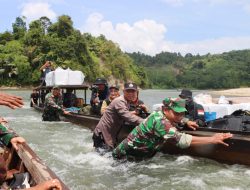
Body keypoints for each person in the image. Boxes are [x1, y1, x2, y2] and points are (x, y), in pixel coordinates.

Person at [112, 97, 233, 160]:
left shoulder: (161, 113)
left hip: (139, 155)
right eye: (177, 113)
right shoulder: (160, 122)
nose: (180, 116)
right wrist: (212, 139)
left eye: (182, 114)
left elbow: (176, 117)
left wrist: (186, 121)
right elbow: (181, 141)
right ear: (166, 110)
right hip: (124, 157)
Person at [93, 82, 144, 151]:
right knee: (103, 159)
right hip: (102, 135)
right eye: (128, 91)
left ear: (136, 93)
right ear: (123, 92)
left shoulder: (127, 102)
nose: (131, 94)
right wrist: (145, 122)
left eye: (133, 91)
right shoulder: (120, 101)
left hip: (110, 134)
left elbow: (125, 113)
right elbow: (127, 116)